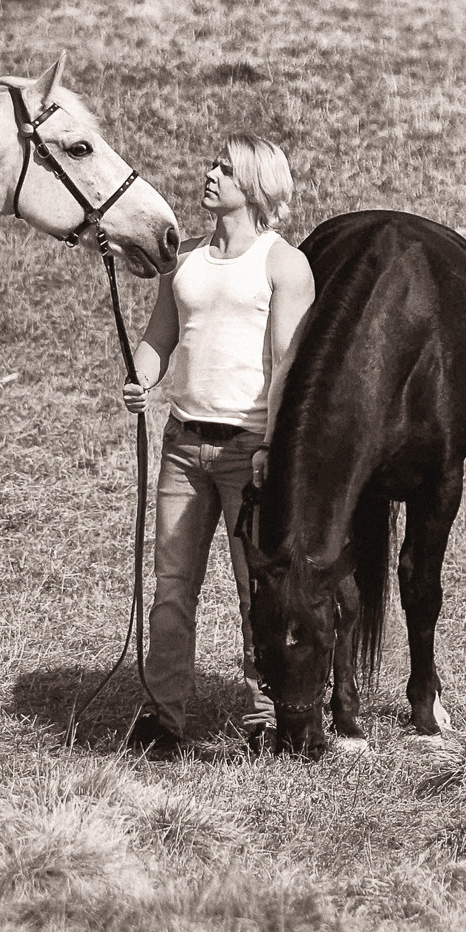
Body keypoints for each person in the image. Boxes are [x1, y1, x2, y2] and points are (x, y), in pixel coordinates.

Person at [119, 135, 315, 757]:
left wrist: (273, 446)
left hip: (248, 452)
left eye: (225, 169)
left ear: (256, 186)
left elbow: (289, 367)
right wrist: (141, 378)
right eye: (212, 164)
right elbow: (160, 336)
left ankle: (264, 721)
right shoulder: (187, 263)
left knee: (255, 593)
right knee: (171, 589)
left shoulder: (283, 265)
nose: (209, 174)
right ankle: (164, 721)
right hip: (182, 445)